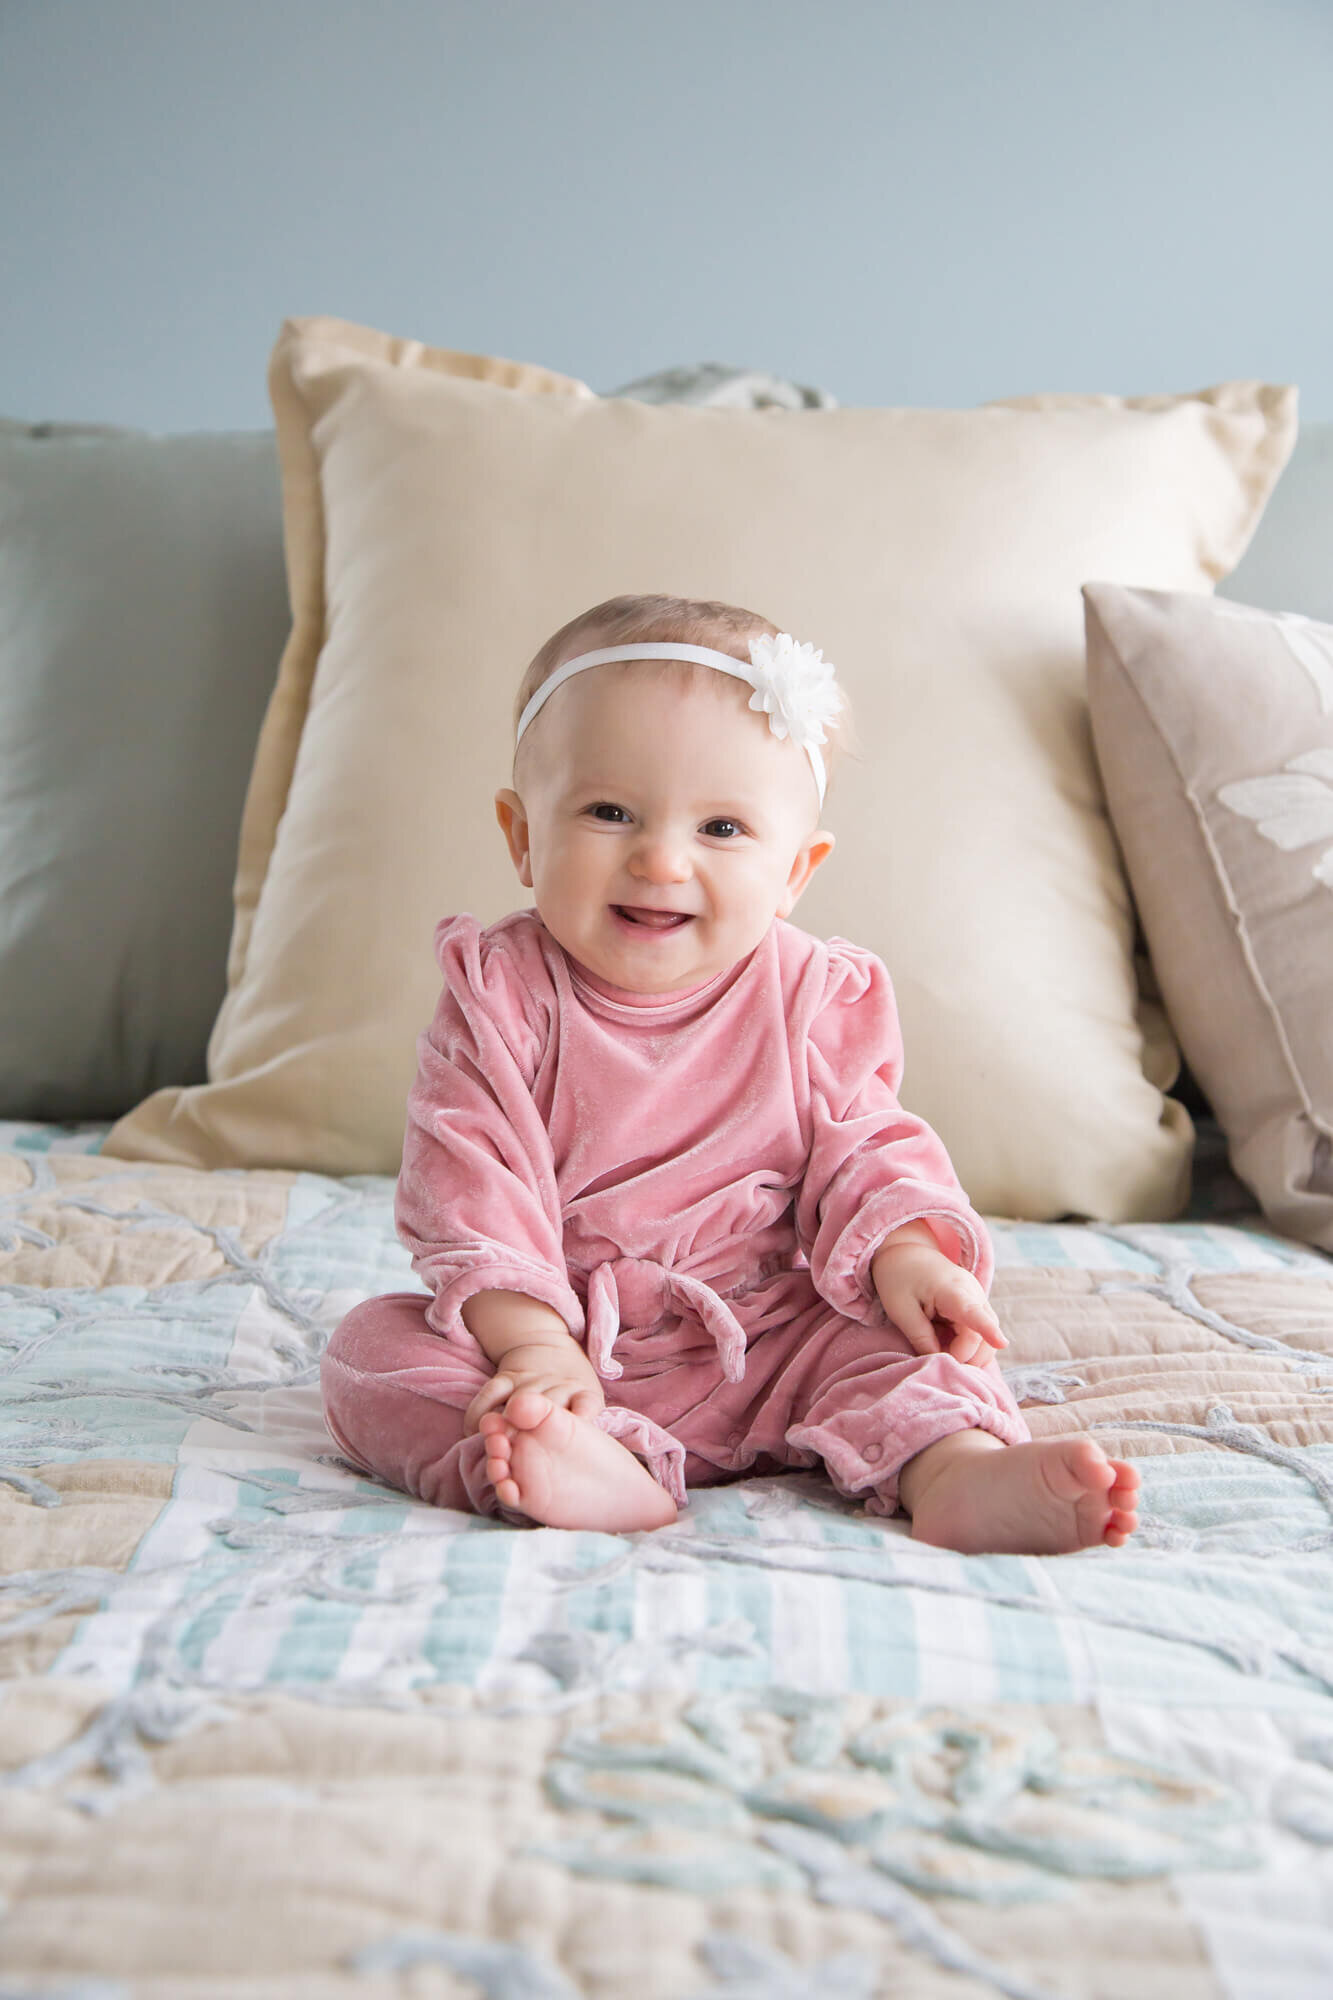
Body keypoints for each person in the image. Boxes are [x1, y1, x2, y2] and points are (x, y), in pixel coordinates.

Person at [320, 595, 1140, 1553]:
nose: (660, 858)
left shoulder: (810, 994)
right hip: (565, 1341)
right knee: (373, 1357)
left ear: (797, 870)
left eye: (721, 829)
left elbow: (867, 1145)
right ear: (521, 836)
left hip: (774, 1333)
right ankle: (579, 1464)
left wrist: (908, 1256)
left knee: (898, 1344)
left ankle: (951, 1469)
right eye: (608, 811)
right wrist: (534, 1346)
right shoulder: (503, 992)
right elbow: (471, 1185)